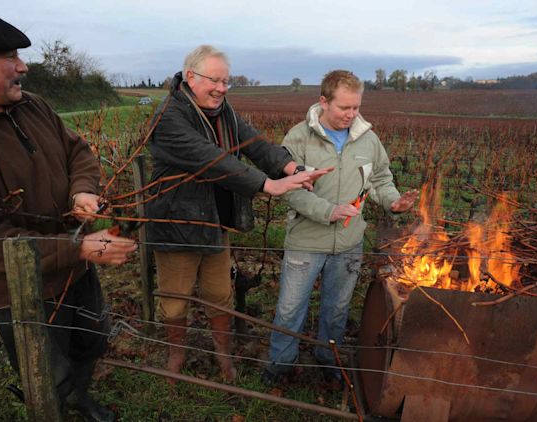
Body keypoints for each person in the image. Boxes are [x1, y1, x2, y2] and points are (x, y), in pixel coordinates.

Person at [0, 5, 136, 421]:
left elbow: (77, 151)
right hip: (18, 287)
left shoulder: (33, 106)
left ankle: (80, 398)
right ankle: (57, 407)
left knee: (90, 342)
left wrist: (82, 191)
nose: (23, 66)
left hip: (74, 267)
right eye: (10, 56)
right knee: (47, 371)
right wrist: (80, 248)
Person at [146, 45, 330, 383]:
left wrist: (292, 167)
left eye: (226, 81)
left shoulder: (224, 111)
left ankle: (223, 355)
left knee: (219, 294)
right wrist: (267, 185)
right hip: (177, 223)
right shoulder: (169, 116)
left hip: (215, 222)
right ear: (190, 77)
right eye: (214, 80)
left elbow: (255, 144)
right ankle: (176, 355)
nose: (221, 88)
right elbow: (211, 159)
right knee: (174, 301)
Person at [263, 70, 418, 386]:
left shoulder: (368, 139)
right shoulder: (298, 137)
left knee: (336, 311)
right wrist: (328, 211)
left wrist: (393, 202)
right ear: (323, 101)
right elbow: (290, 190)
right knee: (290, 309)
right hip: (305, 241)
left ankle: (328, 359)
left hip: (349, 243)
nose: (350, 115)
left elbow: (380, 180)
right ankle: (280, 365)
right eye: (343, 108)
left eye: (356, 107)